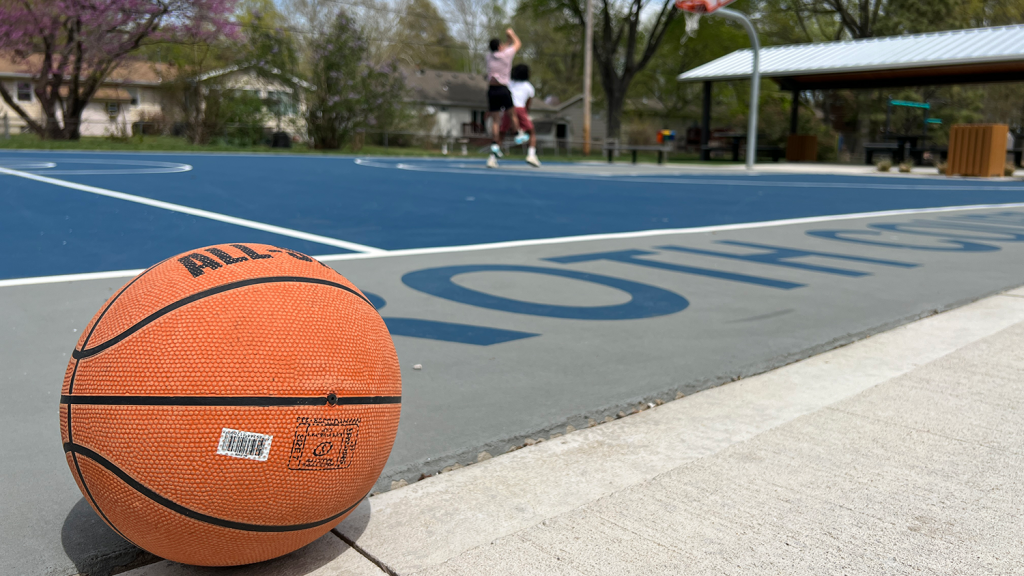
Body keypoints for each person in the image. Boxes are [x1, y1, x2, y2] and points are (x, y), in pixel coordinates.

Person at [484, 28, 528, 169]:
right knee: (511, 113)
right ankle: (517, 134)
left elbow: (502, 49)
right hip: (503, 89)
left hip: (491, 90)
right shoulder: (506, 56)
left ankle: (494, 144)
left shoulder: (488, 57)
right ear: (499, 47)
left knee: (496, 120)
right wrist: (512, 35)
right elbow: (518, 44)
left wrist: (506, 42)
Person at [502, 63, 541, 167]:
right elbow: (528, 105)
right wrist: (524, 118)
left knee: (501, 133)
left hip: (508, 109)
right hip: (520, 109)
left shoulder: (510, 83)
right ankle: (531, 155)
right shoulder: (529, 87)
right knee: (532, 132)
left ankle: (492, 157)